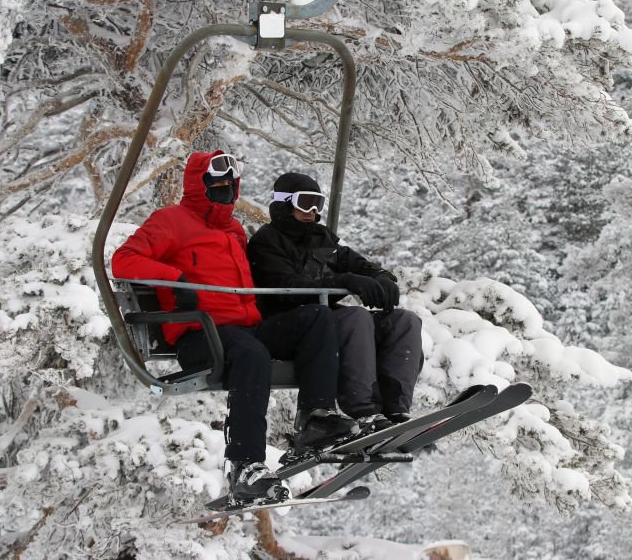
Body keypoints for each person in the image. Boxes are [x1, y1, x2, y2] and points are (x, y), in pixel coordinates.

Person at [111, 152, 357, 504]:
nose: (225, 190)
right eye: (217, 184)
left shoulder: (234, 229)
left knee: (317, 317)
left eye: (231, 184)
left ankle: (316, 416)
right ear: (201, 185)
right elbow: (124, 259)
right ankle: (245, 463)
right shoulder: (171, 221)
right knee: (250, 353)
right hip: (200, 335)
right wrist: (176, 281)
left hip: (246, 329)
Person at [247, 172, 424, 435]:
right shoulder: (267, 241)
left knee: (404, 322)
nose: (311, 211)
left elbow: (357, 263)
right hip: (292, 324)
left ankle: (395, 408)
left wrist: (380, 277)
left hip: (327, 318)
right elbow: (287, 289)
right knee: (356, 317)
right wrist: (344, 280)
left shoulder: (322, 237)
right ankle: (363, 409)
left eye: (317, 203)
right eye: (304, 202)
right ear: (284, 203)